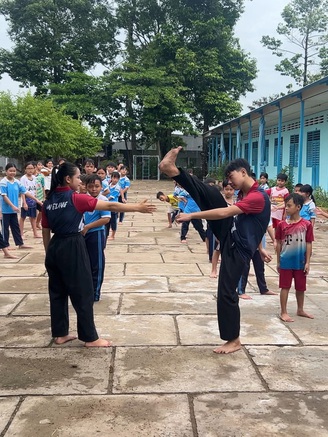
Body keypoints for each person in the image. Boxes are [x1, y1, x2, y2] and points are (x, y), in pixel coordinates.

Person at [159, 147, 271, 354]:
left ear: (244, 172)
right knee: (210, 192)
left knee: (227, 292)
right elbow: (255, 226)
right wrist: (260, 249)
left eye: (231, 176)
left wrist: (193, 216)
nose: (230, 182)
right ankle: (173, 171)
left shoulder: (257, 197)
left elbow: (226, 211)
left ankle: (234, 340)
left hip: (237, 249)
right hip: (232, 236)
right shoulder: (245, 193)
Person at [41, 162, 156, 347]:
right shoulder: (76, 198)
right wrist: (136, 208)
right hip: (73, 245)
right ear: (68, 179)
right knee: (84, 291)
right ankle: (90, 338)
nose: (81, 181)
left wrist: (49, 254)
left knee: (57, 292)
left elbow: (45, 230)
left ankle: (60, 333)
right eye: (78, 177)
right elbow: (110, 205)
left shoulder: (49, 200)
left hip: (55, 247)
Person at [275, 193, 314, 322]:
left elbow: (309, 243)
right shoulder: (282, 225)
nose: (286, 208)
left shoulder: (307, 225)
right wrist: (278, 261)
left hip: (300, 261)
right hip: (286, 261)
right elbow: (279, 243)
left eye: (289, 206)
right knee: (285, 286)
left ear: (298, 207)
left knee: (301, 287)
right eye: (286, 205)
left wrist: (307, 262)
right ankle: (283, 311)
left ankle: (300, 309)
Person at [82, 174, 110, 302]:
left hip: (96, 234)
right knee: (83, 264)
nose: (94, 189)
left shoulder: (103, 200)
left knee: (97, 264)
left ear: (101, 187)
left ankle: (95, 293)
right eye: (91, 186)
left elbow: (105, 219)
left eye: (97, 186)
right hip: (82, 234)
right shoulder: (83, 199)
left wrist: (88, 227)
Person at [0, 163, 41, 249]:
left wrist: (36, 200)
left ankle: (20, 243)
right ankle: (5, 246)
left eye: (14, 171)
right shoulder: (3, 182)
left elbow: (25, 192)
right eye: (10, 171)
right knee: (5, 228)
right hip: (5, 210)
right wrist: (12, 206)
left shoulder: (16, 182)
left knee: (15, 227)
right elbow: (4, 196)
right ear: (6, 171)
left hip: (13, 210)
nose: (12, 172)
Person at [210, 179, 234, 279]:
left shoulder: (237, 201)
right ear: (223, 189)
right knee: (217, 250)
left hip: (233, 229)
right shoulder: (221, 202)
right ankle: (214, 269)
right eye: (226, 189)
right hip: (221, 229)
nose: (228, 191)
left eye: (231, 189)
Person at [19, 162, 41, 239]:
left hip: (33, 200)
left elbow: (36, 189)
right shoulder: (23, 179)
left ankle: (35, 233)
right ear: (25, 169)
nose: (30, 170)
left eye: (32, 168)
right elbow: (22, 191)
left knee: (33, 217)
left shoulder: (35, 178)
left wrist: (37, 198)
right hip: (26, 200)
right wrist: (24, 202)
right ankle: (21, 234)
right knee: (23, 217)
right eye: (28, 168)